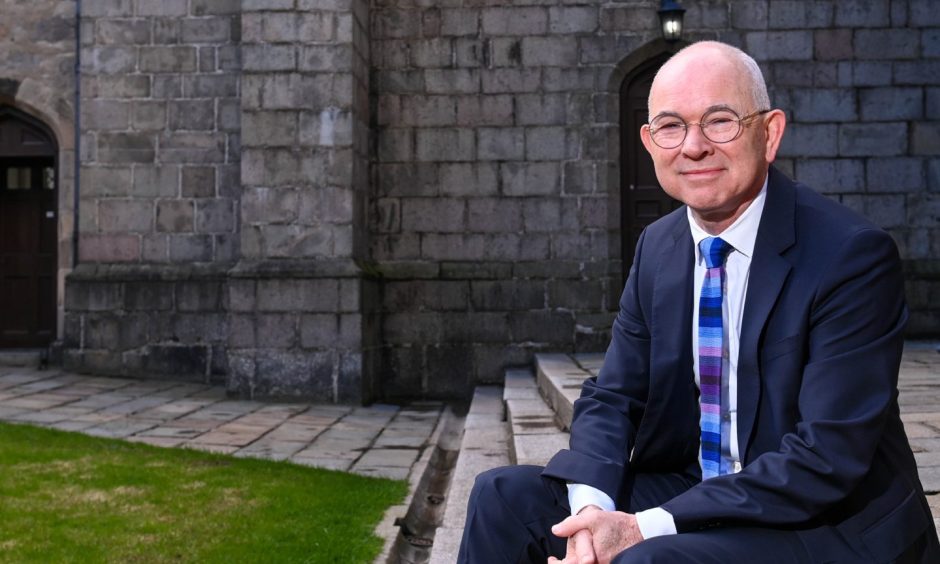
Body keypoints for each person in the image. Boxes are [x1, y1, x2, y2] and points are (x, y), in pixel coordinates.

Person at [457, 40, 940, 563]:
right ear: (649, 141)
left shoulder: (850, 255)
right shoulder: (660, 246)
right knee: (501, 498)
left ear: (770, 132)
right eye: (671, 126)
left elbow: (826, 458)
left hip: (823, 518)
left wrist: (642, 527)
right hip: (698, 490)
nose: (693, 146)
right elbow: (614, 397)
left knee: (647, 559)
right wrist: (590, 514)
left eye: (719, 121)